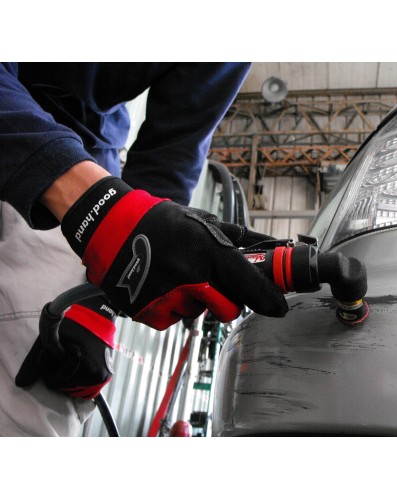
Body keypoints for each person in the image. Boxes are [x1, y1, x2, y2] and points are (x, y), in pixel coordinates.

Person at [0, 63, 288, 436]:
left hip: (77, 158)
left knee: (30, 415)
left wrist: (102, 300)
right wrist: (92, 199)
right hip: (49, 150)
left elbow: (170, 157)